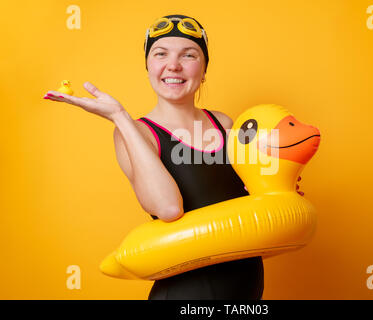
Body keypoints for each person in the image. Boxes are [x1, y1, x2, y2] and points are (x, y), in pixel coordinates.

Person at [43, 14, 264, 300]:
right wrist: (119, 118)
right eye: (161, 54)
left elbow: (254, 204)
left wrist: (276, 188)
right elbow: (168, 208)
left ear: (204, 69)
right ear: (148, 66)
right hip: (184, 294)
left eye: (189, 55)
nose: (174, 65)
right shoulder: (136, 133)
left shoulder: (225, 124)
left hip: (246, 293)